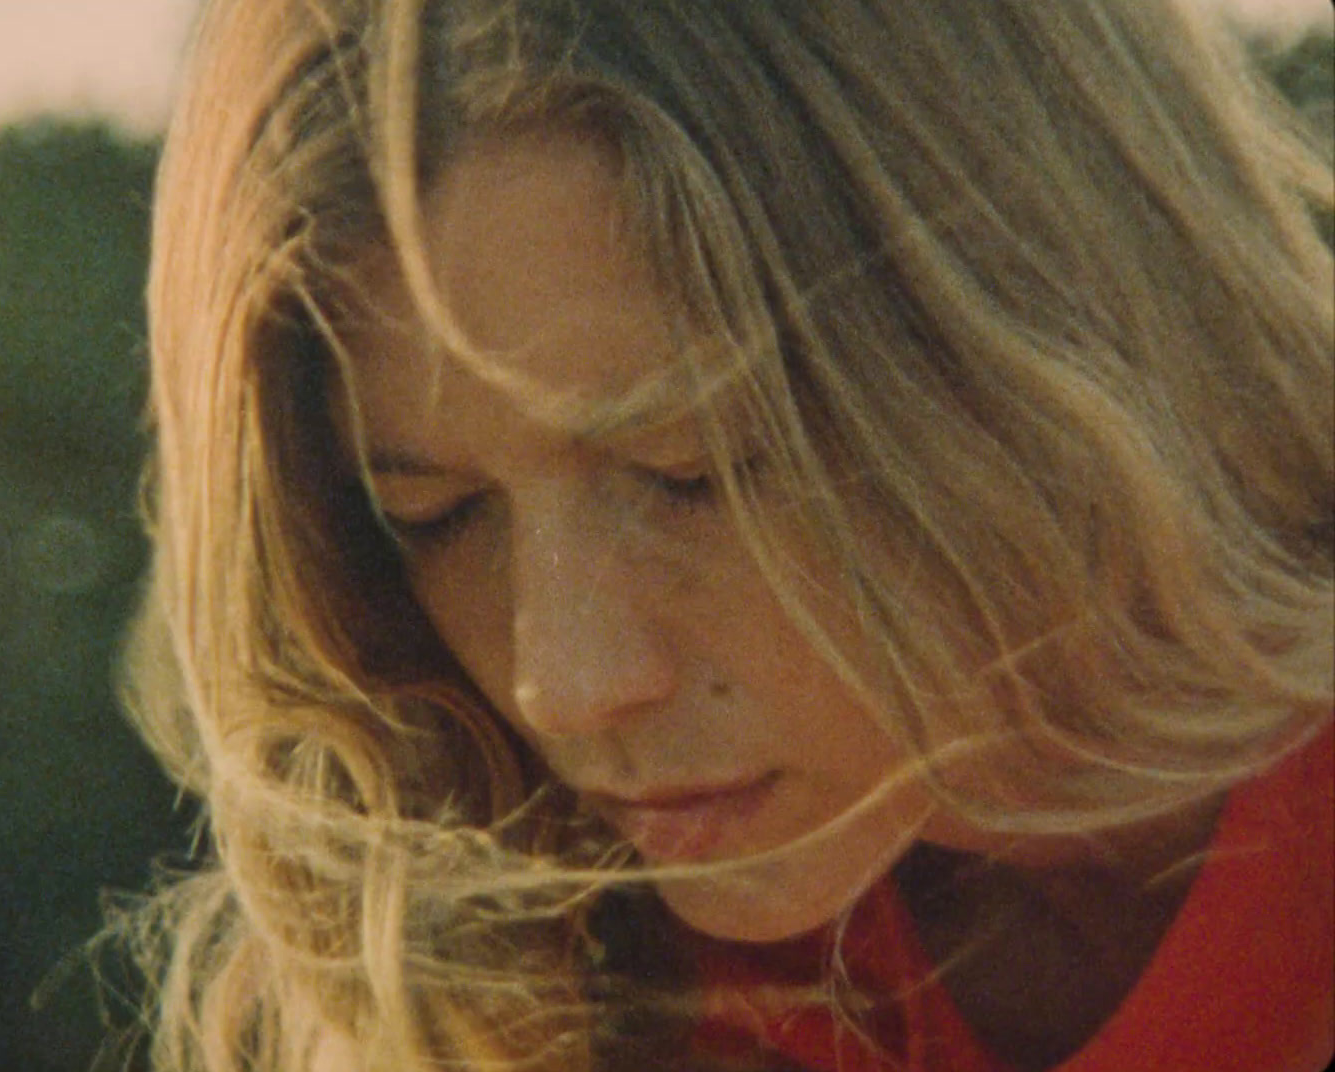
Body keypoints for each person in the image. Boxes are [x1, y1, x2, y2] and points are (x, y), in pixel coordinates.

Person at [115, 0, 1334, 1069]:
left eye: (692, 472)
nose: (570, 684)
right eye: (437, 516)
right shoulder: (567, 982)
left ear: (1054, 320)